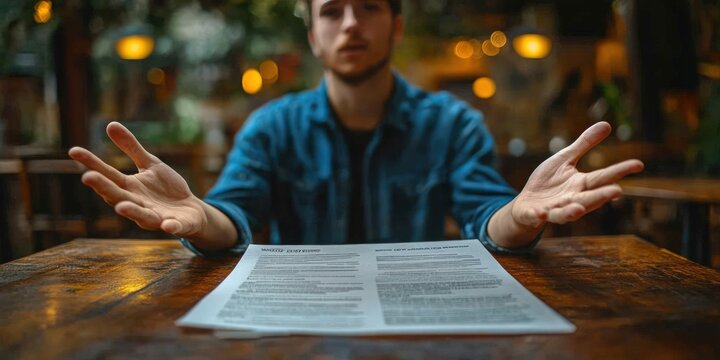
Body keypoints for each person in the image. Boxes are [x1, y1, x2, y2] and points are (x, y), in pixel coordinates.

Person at [68, 0, 643, 255]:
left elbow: (484, 214)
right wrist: (201, 219)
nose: (350, 24)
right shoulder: (271, 127)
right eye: (332, 11)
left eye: (368, 7)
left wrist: (518, 214)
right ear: (313, 35)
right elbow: (234, 213)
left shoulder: (453, 123)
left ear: (394, 27)